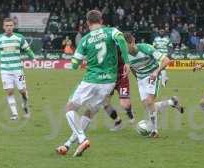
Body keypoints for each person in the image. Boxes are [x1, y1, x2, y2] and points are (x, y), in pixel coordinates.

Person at [56, 10, 130, 157]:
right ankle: (68, 144)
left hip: (91, 80)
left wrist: (78, 60)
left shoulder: (85, 39)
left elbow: (75, 64)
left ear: (88, 23)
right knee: (89, 112)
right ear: (101, 21)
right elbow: (121, 39)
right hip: (109, 81)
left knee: (70, 107)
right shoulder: (111, 31)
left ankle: (82, 139)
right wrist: (126, 61)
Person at [124, 32, 184, 138]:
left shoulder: (146, 48)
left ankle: (154, 131)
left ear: (132, 42)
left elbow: (166, 60)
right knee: (148, 106)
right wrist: (138, 79)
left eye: (124, 45)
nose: (123, 48)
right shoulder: (125, 55)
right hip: (141, 79)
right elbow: (132, 68)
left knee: (149, 102)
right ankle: (172, 102)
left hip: (153, 75)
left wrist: (157, 72)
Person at [0, 18, 35, 120]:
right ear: (3, 27)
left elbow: (27, 49)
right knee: (9, 91)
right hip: (5, 71)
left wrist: (33, 58)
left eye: (11, 25)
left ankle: (25, 107)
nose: (9, 27)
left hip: (18, 71)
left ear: (13, 26)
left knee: (22, 91)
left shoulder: (19, 38)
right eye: (7, 25)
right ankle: (14, 114)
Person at [103, 49, 135, 131]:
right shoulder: (102, 49)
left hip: (122, 78)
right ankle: (118, 121)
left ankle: (129, 112)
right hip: (109, 79)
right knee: (105, 103)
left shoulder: (119, 47)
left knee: (124, 104)